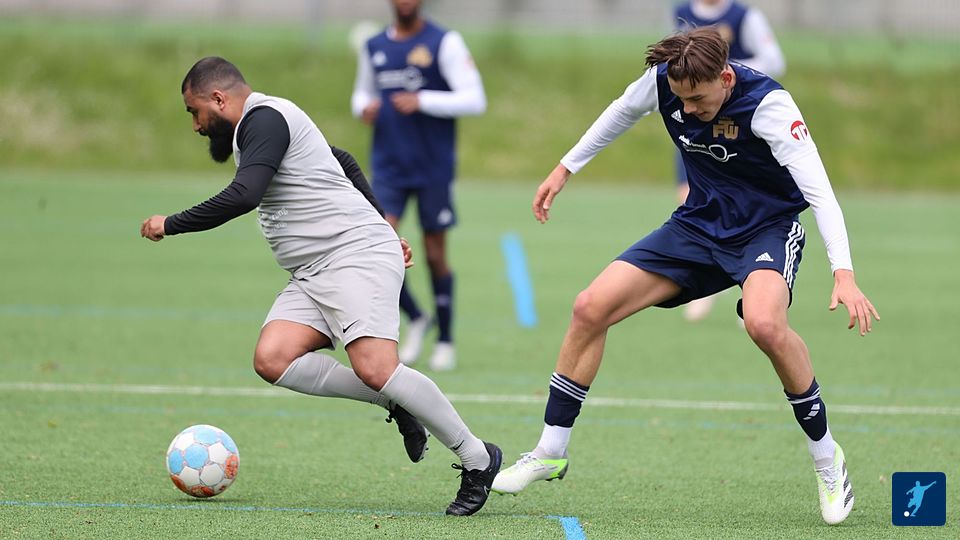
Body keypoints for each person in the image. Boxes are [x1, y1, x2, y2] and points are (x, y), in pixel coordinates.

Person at [491, 28, 879, 526]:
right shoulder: (664, 82)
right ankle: (550, 450)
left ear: (725, 77)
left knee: (764, 324)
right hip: (696, 227)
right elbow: (620, 112)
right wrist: (565, 169)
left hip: (765, 230)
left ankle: (826, 458)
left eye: (698, 100)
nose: (688, 110)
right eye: (681, 99)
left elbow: (821, 192)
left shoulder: (770, 107)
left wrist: (844, 274)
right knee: (590, 306)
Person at [139, 56, 501, 516]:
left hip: (354, 256)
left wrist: (170, 223)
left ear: (218, 98)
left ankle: (478, 458)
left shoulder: (265, 119)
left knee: (377, 366)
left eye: (195, 112)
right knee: (273, 359)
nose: (195, 125)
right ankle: (397, 401)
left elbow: (245, 195)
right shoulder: (260, 127)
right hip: (314, 271)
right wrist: (386, 225)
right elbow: (342, 159)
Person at [351, 0, 486, 371]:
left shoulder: (444, 42)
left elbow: (475, 99)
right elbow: (361, 93)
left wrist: (422, 99)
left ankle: (445, 339)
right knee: (378, 248)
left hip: (432, 168)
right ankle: (416, 315)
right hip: (388, 168)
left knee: (434, 253)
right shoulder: (374, 45)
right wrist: (363, 108)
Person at [673, 0, 787, 322]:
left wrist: (716, 70)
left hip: (736, 127)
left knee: (745, 208)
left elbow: (775, 61)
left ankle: (752, 291)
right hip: (695, 125)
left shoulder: (744, 17)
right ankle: (703, 290)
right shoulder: (682, 12)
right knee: (691, 201)